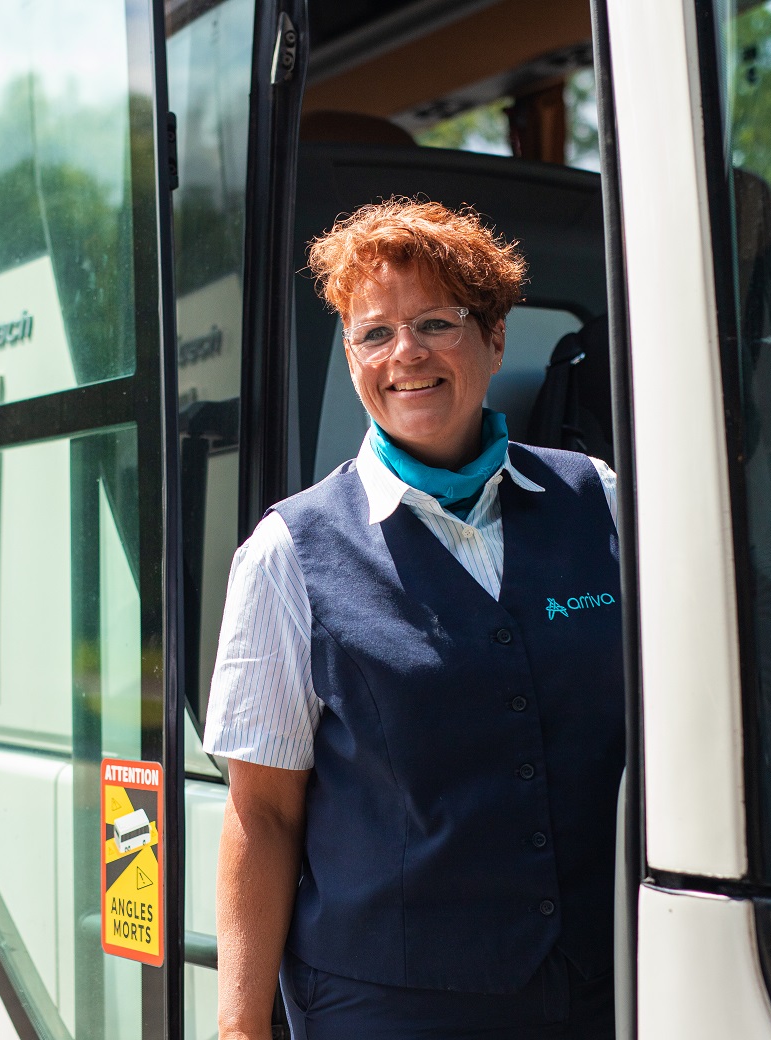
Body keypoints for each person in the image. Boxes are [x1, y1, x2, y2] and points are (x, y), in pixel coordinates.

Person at [204, 198, 624, 1040]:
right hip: (388, 1005)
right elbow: (264, 814)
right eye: (373, 333)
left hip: (603, 985)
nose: (406, 354)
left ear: (495, 338)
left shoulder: (601, 501)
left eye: (436, 322)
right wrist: (242, 1027)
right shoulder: (289, 553)